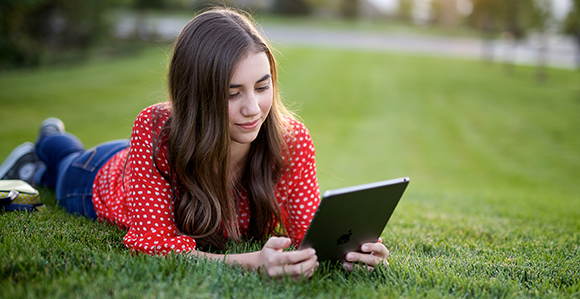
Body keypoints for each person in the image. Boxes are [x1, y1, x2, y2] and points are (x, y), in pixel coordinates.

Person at [0, 8, 389, 279]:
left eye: (262, 86)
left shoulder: (289, 138)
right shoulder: (155, 127)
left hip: (140, 163)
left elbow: (309, 229)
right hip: (96, 180)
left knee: (60, 159)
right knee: (62, 159)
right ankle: (42, 147)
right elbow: (150, 243)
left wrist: (354, 251)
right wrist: (251, 262)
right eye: (232, 92)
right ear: (197, 94)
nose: (253, 109)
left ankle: (38, 159)